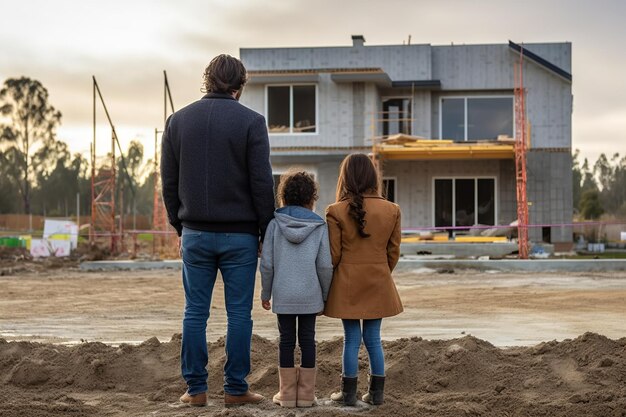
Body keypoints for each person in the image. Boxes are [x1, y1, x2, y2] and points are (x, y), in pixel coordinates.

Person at [160, 54, 275, 407]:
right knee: (239, 313)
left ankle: (195, 390)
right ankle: (236, 389)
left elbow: (168, 181)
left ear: (207, 81)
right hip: (240, 236)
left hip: (194, 232)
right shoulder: (252, 122)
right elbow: (261, 183)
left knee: (195, 311)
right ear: (239, 87)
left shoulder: (177, 122)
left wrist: (180, 224)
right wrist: (264, 230)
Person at [324, 153, 403, 406]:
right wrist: (379, 270)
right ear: (372, 176)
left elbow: (333, 255)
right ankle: (376, 394)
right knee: (373, 338)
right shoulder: (392, 210)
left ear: (345, 178)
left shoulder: (335, 211)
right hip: (378, 279)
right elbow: (393, 252)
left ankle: (347, 394)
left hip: (347, 281)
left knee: (350, 339)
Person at [260, 170, 333, 408]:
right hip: (311, 294)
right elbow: (324, 266)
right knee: (309, 341)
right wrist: (325, 295)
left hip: (283, 294)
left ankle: (287, 395)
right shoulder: (319, 226)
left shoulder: (273, 225)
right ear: (311, 197)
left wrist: (265, 293)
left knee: (286, 342)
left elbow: (267, 265)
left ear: (284, 197)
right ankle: (307, 396)